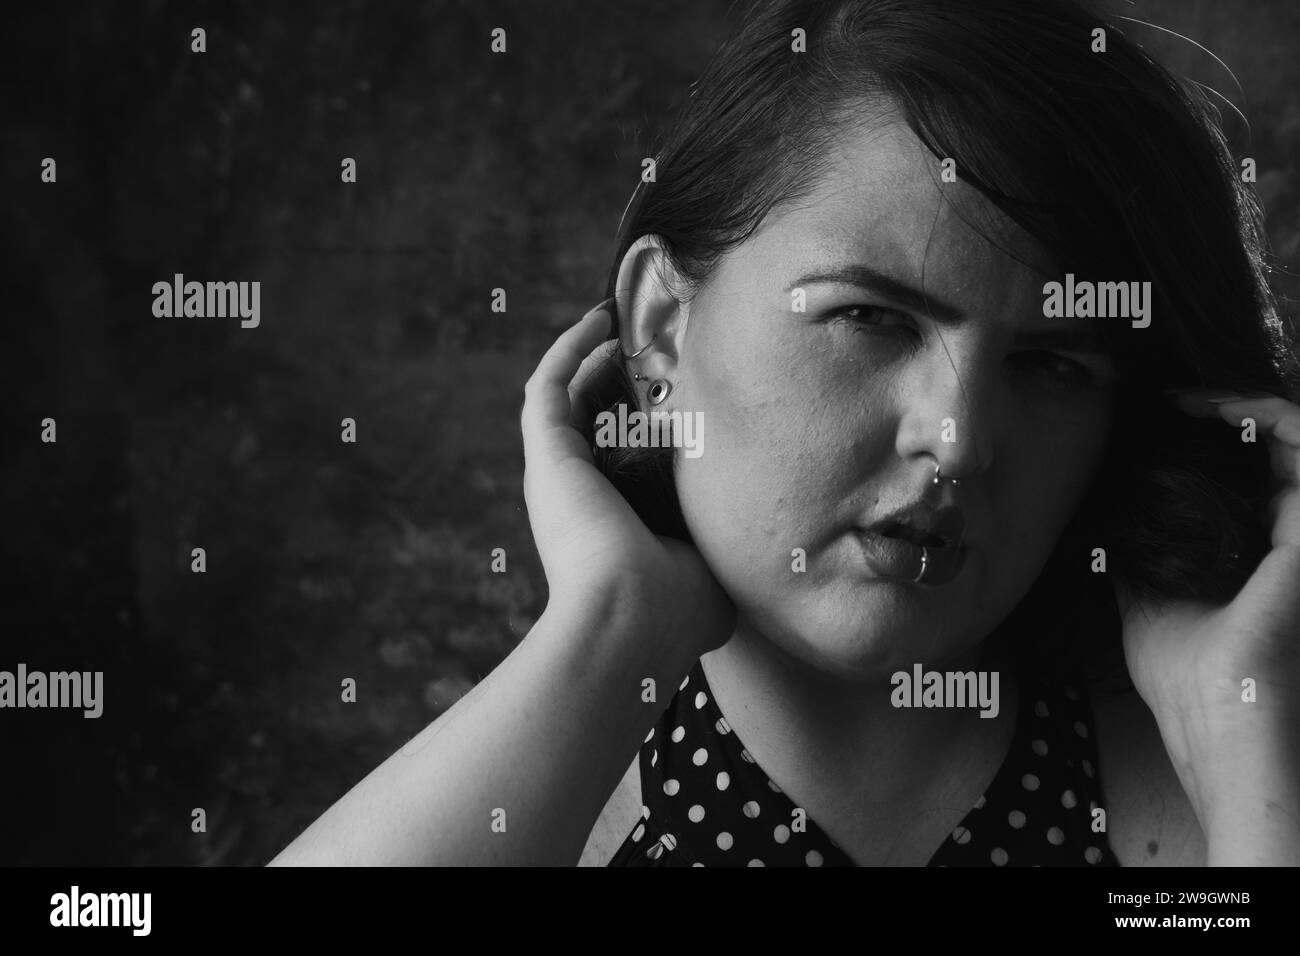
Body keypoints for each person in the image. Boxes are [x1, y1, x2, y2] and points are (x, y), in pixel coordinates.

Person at [270, 0, 1300, 867]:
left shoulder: (1216, 808)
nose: (957, 437)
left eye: (1052, 364)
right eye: (868, 317)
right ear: (660, 326)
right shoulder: (546, 806)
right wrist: (611, 629)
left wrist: (1239, 732)